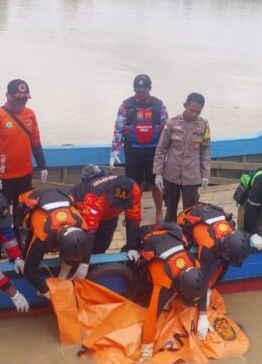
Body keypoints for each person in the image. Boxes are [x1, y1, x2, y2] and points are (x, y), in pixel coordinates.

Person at [0, 79, 48, 239]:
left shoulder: (30, 114)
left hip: (25, 174)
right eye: (17, 99)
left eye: (24, 100)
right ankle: (0, 240)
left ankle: (20, 236)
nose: (21, 103)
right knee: (1, 211)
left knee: (23, 210)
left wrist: (42, 165)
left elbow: (35, 141)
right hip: (4, 176)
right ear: (8, 95)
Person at [136, 223, 207, 360]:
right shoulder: (164, 282)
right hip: (150, 239)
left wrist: (203, 315)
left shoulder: (194, 264)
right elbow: (152, 316)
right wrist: (146, 349)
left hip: (170, 235)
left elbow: (202, 285)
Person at [110, 74, 168, 222]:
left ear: (149, 89)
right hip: (133, 152)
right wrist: (115, 150)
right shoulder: (126, 105)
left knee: (156, 184)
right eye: (138, 91)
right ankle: (134, 213)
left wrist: (167, 151)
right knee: (133, 185)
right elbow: (118, 128)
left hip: (154, 152)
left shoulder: (159, 105)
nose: (140, 94)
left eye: (143, 91)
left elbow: (166, 130)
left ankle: (159, 213)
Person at [176, 203, 251, 316]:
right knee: (189, 259)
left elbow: (224, 266)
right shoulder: (208, 248)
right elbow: (202, 277)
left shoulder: (231, 232)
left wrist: (210, 289)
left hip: (210, 219)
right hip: (185, 226)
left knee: (222, 261)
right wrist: (202, 314)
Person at [16, 187, 91, 296]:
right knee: (26, 250)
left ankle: (62, 276)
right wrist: (45, 291)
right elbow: (29, 271)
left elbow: (83, 246)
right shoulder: (42, 238)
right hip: (33, 204)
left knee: (72, 258)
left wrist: (85, 263)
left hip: (60, 200)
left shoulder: (82, 226)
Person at [153, 92, 211, 222]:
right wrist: (158, 173)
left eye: (198, 112)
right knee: (170, 209)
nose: (194, 114)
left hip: (192, 175)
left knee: (190, 211)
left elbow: (205, 151)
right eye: (192, 110)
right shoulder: (172, 123)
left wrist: (205, 174)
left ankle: (187, 233)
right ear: (185, 105)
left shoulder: (204, 125)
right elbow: (161, 149)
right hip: (171, 174)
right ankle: (170, 231)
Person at [71, 165, 142, 255]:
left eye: (121, 203)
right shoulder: (96, 195)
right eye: (117, 202)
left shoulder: (134, 188)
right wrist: (85, 260)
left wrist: (132, 247)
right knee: (78, 245)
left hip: (109, 214)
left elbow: (134, 219)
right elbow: (90, 229)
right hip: (81, 211)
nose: (118, 205)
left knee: (102, 245)